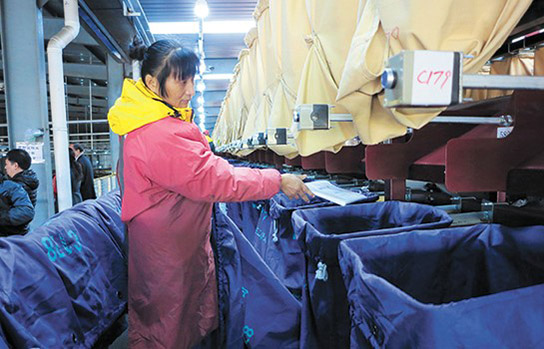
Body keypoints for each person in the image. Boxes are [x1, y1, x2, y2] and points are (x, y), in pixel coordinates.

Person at [108, 39, 313, 349]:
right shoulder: (159, 134)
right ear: (152, 82)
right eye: (182, 80)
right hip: (169, 252)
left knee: (171, 320)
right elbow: (215, 179)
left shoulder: (153, 123)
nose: (190, 90)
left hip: (172, 244)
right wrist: (277, 180)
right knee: (169, 327)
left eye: (193, 79)